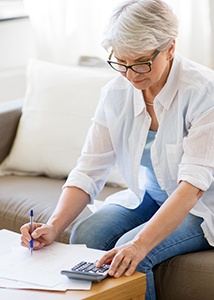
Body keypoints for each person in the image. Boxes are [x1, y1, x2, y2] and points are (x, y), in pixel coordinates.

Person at [20, 0, 214, 299]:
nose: (132, 74)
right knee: (86, 234)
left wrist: (139, 245)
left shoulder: (204, 92)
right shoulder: (116, 92)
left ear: (170, 48)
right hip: (151, 195)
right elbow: (89, 168)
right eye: (121, 62)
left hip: (202, 206)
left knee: (130, 256)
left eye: (141, 62)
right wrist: (53, 225)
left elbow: (192, 187)